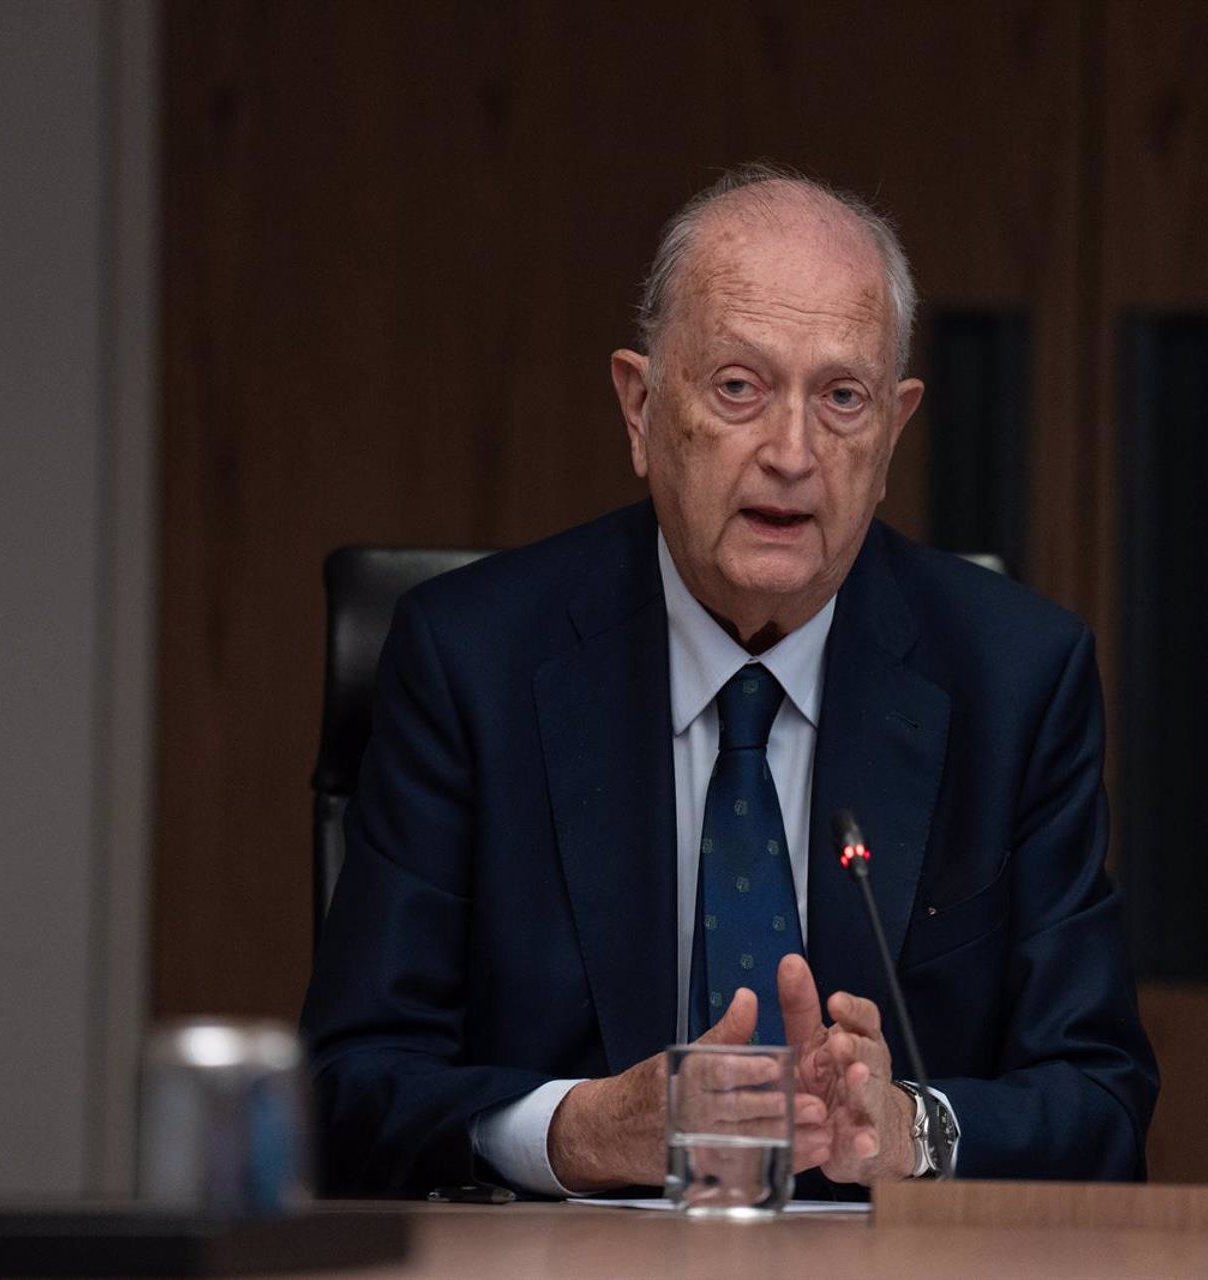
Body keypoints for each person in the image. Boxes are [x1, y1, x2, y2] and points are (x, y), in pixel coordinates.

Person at [300, 163, 1157, 1198]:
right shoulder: (471, 663)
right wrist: (584, 1129)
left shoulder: (1015, 682)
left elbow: (1102, 1104)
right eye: (739, 387)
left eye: (842, 398)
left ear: (893, 433)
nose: (792, 452)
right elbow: (350, 1088)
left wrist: (911, 1128)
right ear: (640, 407)